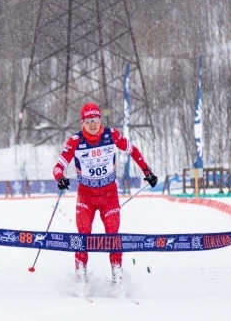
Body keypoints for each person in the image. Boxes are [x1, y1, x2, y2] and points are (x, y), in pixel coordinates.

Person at [52, 103, 157, 291]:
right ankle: (81, 274)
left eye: (96, 120)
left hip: (109, 196)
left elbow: (133, 151)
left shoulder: (112, 135)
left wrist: (147, 172)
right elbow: (58, 166)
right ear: (82, 123)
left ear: (101, 120)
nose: (93, 124)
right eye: (88, 121)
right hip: (86, 197)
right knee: (83, 234)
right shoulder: (75, 141)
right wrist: (60, 178)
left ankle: (117, 273)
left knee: (113, 235)